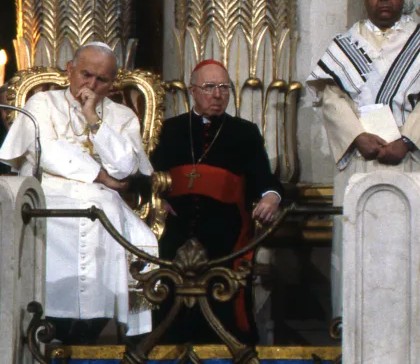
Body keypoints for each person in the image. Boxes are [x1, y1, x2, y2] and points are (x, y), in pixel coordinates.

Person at [306, 0, 420, 316]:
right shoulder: (343, 45)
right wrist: (357, 137)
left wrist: (407, 140)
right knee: (358, 251)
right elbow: (331, 98)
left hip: (408, 162)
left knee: (409, 253)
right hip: (360, 164)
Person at [0, 42, 158, 343]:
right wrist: (99, 174)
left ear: (113, 82)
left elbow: (125, 168)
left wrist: (93, 119)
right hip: (50, 195)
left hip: (105, 200)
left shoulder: (122, 115)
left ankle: (93, 324)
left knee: (138, 238)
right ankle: (53, 321)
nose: (92, 85)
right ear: (70, 70)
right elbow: (45, 151)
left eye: (103, 79)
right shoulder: (42, 103)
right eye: (86, 74)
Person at [151, 59, 282, 345]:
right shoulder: (168, 129)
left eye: (224, 87)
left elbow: (265, 180)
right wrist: (156, 202)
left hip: (225, 232)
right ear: (192, 91)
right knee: (171, 306)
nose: (218, 94)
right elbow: (147, 177)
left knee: (222, 306)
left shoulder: (244, 132)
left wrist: (272, 197)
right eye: (209, 87)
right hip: (174, 230)